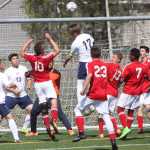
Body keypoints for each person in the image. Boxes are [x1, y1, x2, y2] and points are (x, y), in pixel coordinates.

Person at [73, 46, 118, 150]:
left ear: (91, 55)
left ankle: (81, 133)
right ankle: (113, 141)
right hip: (103, 95)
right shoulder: (105, 65)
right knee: (106, 116)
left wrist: (84, 89)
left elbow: (89, 76)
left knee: (77, 109)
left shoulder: (90, 64)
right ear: (100, 54)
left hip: (93, 94)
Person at [20, 32, 60, 140]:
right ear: (42, 51)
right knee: (54, 102)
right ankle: (54, 122)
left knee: (43, 107)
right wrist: (50, 38)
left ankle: (47, 126)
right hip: (47, 82)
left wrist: (28, 41)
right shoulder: (46, 58)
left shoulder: (32, 58)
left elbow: (22, 52)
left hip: (38, 85)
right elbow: (57, 50)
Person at [27, 61, 74, 136]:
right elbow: (29, 74)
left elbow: (46, 78)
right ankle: (33, 131)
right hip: (42, 97)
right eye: (48, 62)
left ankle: (69, 129)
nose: (49, 64)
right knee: (33, 112)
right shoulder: (41, 72)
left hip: (53, 97)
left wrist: (34, 74)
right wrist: (30, 75)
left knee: (60, 113)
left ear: (53, 63)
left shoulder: (56, 73)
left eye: (51, 62)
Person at [63, 24, 95, 132]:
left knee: (80, 87)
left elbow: (70, 55)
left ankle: (85, 107)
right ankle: (90, 105)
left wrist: (66, 61)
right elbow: (93, 45)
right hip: (93, 63)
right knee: (91, 86)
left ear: (73, 33)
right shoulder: (88, 36)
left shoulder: (75, 42)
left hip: (84, 64)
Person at [117, 48, 148, 139]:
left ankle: (125, 128)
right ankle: (125, 133)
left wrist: (117, 84)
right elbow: (147, 77)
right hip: (138, 93)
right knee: (131, 111)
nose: (129, 56)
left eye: (130, 55)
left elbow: (122, 79)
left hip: (128, 91)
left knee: (120, 109)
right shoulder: (143, 66)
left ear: (133, 56)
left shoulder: (129, 66)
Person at [4, 53, 33, 134]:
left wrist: (29, 85)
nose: (16, 60)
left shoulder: (24, 68)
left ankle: (24, 128)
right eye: (13, 59)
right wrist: (14, 91)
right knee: (2, 113)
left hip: (23, 95)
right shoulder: (7, 71)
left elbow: (29, 78)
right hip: (11, 96)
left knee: (32, 110)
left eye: (17, 58)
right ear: (10, 61)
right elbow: (5, 86)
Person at [98, 52, 123, 138]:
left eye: (114, 57)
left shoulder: (110, 65)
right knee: (109, 114)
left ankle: (101, 133)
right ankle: (117, 129)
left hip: (108, 92)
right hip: (115, 93)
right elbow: (120, 82)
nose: (112, 58)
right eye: (112, 57)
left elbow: (101, 65)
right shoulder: (120, 70)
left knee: (101, 112)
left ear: (118, 60)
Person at [0, 59, 20, 142]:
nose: (3, 64)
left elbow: (5, 87)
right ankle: (17, 138)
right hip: (0, 102)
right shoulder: (2, 75)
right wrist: (15, 84)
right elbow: (8, 85)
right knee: (10, 117)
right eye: (1, 63)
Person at [137, 46, 150, 133]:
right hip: (141, 88)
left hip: (146, 88)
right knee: (147, 109)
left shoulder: (148, 62)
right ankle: (140, 128)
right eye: (140, 51)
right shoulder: (139, 62)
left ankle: (140, 128)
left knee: (140, 109)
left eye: (142, 51)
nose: (141, 52)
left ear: (146, 52)